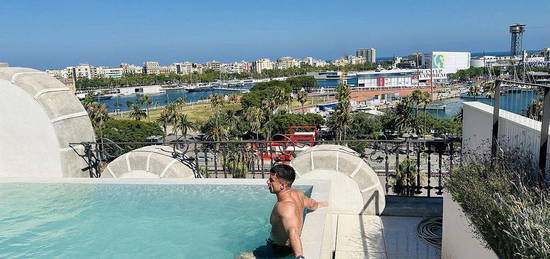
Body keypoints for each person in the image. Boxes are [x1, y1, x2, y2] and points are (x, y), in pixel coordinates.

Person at [262, 164, 327, 259]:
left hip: (279, 250)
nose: (267, 182)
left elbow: (293, 231)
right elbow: (313, 205)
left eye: (271, 180)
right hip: (280, 246)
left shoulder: (285, 207)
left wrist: (299, 256)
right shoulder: (298, 194)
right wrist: (325, 204)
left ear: (282, 185)